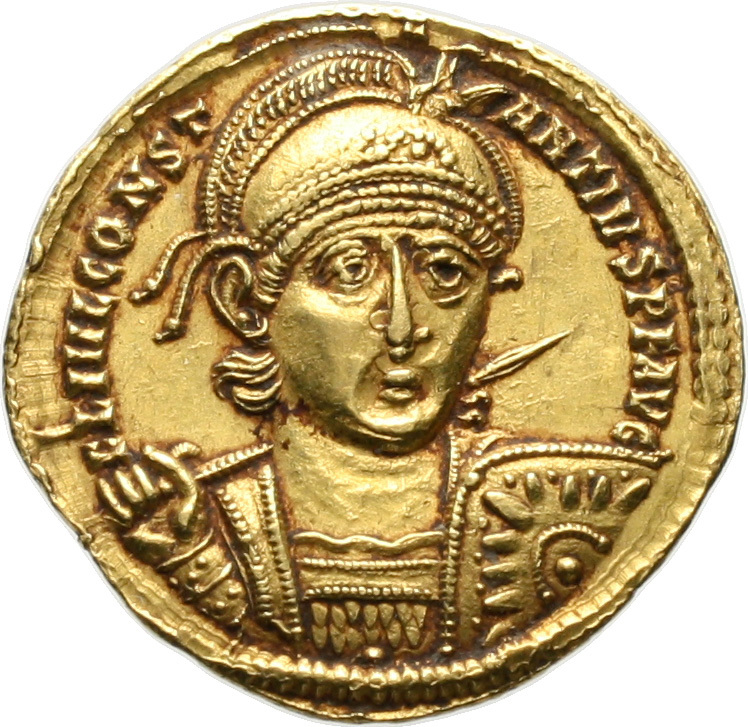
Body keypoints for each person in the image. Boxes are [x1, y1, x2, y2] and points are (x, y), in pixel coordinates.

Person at [98, 49, 668, 658]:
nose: (402, 327)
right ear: (243, 300)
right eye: (349, 270)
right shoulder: (186, 522)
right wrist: (193, 563)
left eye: (445, 271)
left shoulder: (568, 507)